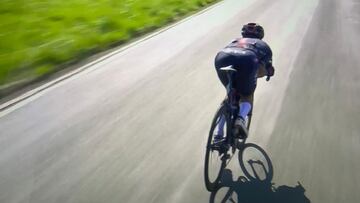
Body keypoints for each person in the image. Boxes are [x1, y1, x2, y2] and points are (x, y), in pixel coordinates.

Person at [214, 22, 275, 139]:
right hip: (247, 59)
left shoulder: (234, 40)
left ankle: (218, 132)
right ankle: (240, 119)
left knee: (230, 93)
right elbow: (267, 69)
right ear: (261, 35)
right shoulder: (263, 44)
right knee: (247, 94)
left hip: (222, 57)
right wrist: (267, 73)